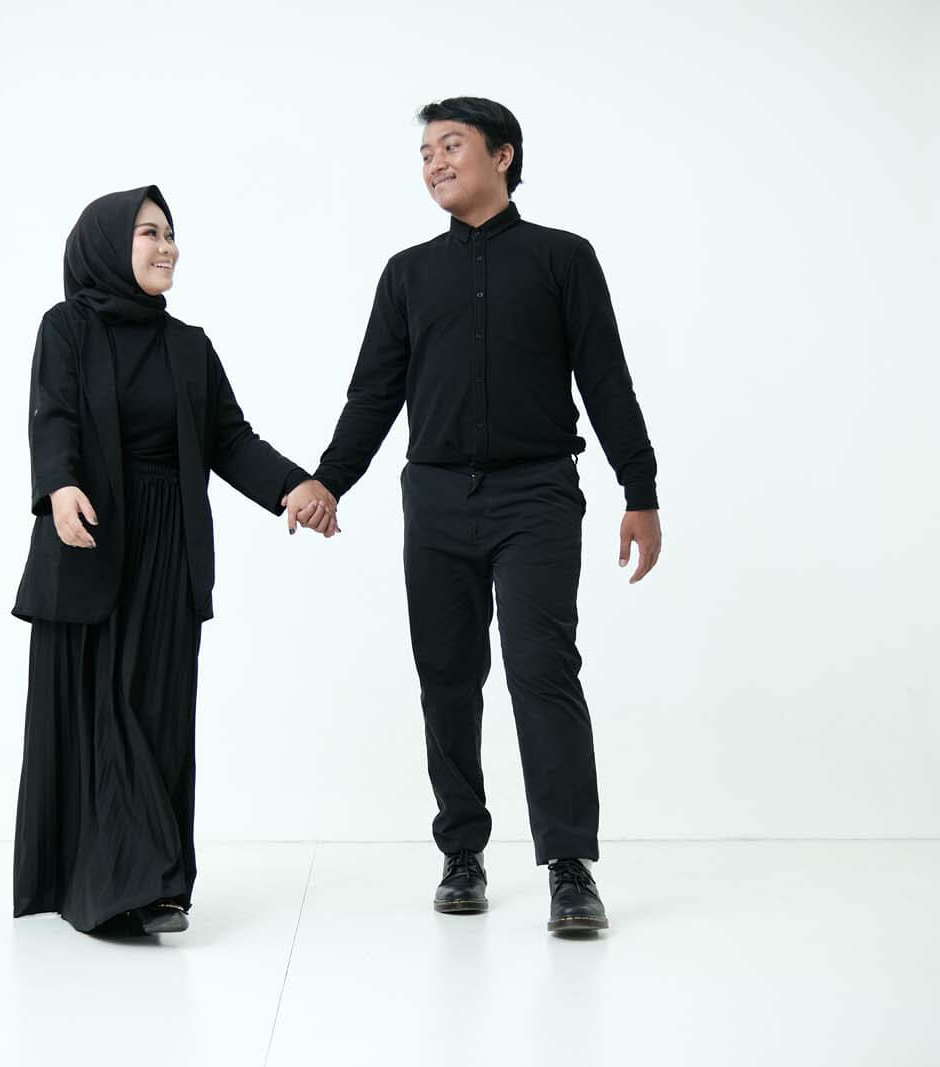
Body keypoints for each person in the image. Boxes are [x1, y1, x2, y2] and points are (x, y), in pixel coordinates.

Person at [311, 98, 662, 934]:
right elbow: (373, 395)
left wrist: (639, 491)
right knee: (447, 679)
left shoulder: (563, 258)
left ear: (503, 156)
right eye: (425, 152)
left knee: (543, 670)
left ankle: (570, 865)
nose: (433, 162)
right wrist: (330, 480)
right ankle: (461, 852)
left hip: (537, 495)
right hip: (435, 497)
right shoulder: (406, 274)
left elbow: (606, 379)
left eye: (451, 146)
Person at [11, 185, 339, 937]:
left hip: (167, 547)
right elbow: (51, 415)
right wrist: (58, 486)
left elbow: (231, 440)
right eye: (148, 233)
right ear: (106, 245)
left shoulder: (189, 346)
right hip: (91, 536)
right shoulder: (66, 327)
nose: (167, 247)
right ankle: (112, 885)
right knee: (104, 711)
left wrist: (294, 486)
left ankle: (155, 887)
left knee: (155, 714)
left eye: (169, 233)